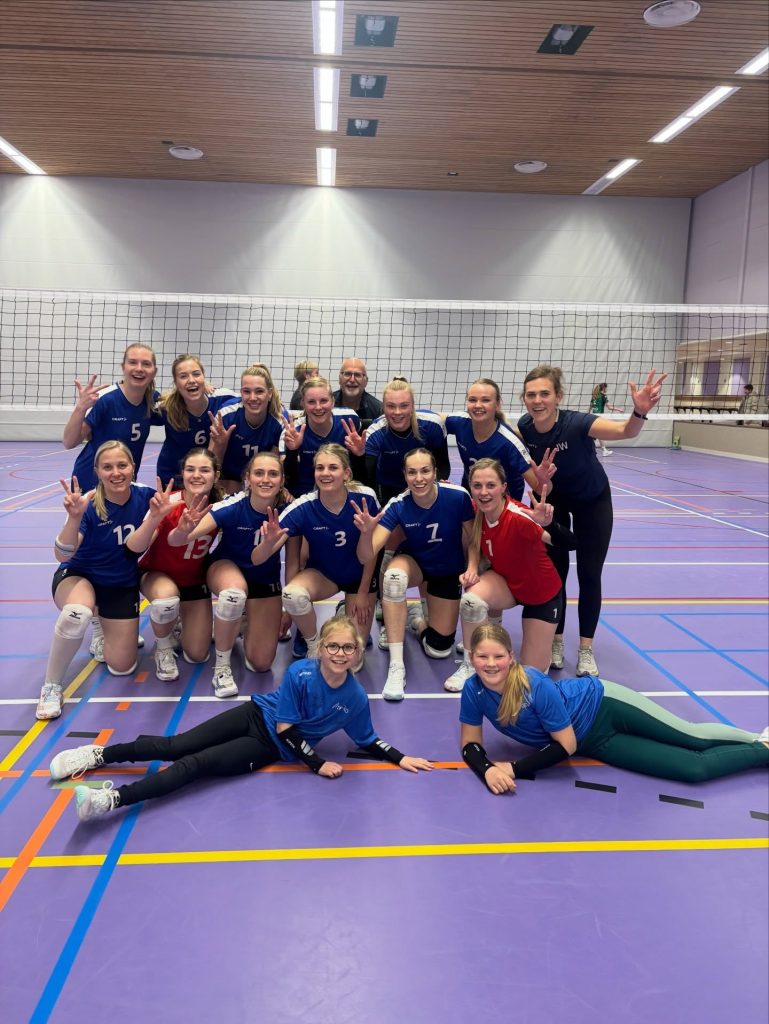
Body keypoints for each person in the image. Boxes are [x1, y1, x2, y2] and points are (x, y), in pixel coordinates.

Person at [49, 616, 434, 822]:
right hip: (257, 715)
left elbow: (367, 739)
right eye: (333, 645)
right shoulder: (300, 672)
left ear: (357, 653)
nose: (339, 653)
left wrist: (401, 757)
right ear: (321, 649)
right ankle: (98, 755)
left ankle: (112, 800)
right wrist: (317, 763)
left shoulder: (354, 698)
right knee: (175, 745)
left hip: (268, 747)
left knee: (194, 765)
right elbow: (286, 725)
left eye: (348, 647)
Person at [459, 624, 769, 794]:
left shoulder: (534, 683)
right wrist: (487, 770)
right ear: (472, 658)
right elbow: (470, 744)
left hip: (606, 705)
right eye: (482, 657)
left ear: (511, 657)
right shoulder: (473, 691)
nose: (491, 664)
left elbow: (565, 745)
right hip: (595, 742)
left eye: (498, 656)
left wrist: (514, 769)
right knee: (693, 769)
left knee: (691, 736)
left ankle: (760, 739)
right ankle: (764, 751)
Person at [517, 365, 666, 678]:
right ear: (524, 399)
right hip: (554, 502)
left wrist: (639, 412)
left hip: (592, 500)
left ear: (558, 396)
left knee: (588, 573)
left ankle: (586, 648)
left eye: (544, 393)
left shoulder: (578, 422)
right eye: (531, 395)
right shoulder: (525, 426)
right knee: (554, 573)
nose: (538, 400)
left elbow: (625, 431)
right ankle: (556, 640)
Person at [36, 441, 157, 720]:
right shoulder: (88, 504)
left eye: (122, 465)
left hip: (120, 583)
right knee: (76, 614)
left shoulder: (147, 497)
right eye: (107, 467)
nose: (116, 473)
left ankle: (101, 624)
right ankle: (51, 686)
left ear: (133, 467)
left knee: (122, 666)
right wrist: (73, 518)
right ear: (97, 471)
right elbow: (62, 554)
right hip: (80, 576)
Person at [354, 448, 474, 701]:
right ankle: (396, 667)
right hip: (415, 564)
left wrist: (472, 569)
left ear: (435, 473)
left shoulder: (458, 497)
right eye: (412, 472)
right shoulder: (398, 505)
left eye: (425, 471)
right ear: (404, 475)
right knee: (394, 580)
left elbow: (473, 539)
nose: (418, 478)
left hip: (446, 570)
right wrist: (366, 533)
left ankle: (417, 620)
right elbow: (366, 556)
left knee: (439, 649)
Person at [167, 451, 290, 698]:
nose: (265, 479)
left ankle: (241, 622)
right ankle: (222, 667)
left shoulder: (288, 511)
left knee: (261, 663)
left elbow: (291, 561)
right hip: (225, 568)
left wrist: (288, 607)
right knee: (234, 594)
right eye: (259, 473)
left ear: (282, 480)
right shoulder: (231, 506)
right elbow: (177, 540)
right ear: (247, 478)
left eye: (273, 474)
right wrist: (182, 531)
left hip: (264, 581)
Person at [443, 458, 570, 692]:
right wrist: (472, 568)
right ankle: (471, 664)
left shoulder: (519, 516)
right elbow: (474, 541)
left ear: (504, 487)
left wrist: (549, 524)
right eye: (477, 486)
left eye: (491, 485)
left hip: (541, 594)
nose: (483, 492)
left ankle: (532, 648)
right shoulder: (478, 511)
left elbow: (570, 543)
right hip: (508, 584)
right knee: (471, 600)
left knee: (530, 680)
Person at [256, 445, 380, 663]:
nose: (325, 473)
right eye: (320, 468)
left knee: (353, 661)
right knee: (293, 595)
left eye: (333, 467)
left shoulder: (365, 498)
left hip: (360, 577)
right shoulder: (303, 506)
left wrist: (363, 592)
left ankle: (346, 613)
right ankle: (314, 645)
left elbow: (372, 553)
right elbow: (258, 558)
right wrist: (266, 543)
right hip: (324, 575)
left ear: (346, 473)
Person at [126, 448, 224, 682]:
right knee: (166, 601)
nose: (197, 475)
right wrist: (154, 518)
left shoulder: (220, 506)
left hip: (194, 580)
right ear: (182, 473)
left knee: (197, 654)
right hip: (157, 574)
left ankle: (182, 620)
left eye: (204, 470)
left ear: (216, 476)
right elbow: (136, 548)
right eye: (190, 469)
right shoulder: (168, 503)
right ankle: (163, 647)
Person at [63, 344, 160, 491]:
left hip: (123, 482)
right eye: (133, 362)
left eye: (146, 364)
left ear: (154, 372)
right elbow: (69, 442)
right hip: (91, 482)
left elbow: (181, 412)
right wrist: (80, 408)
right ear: (123, 367)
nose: (139, 368)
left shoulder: (153, 400)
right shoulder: (106, 399)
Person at [346, 379, 450, 504]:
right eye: (391, 406)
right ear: (383, 408)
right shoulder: (375, 433)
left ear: (412, 406)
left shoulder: (433, 425)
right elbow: (366, 477)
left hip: (424, 486)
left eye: (404, 406)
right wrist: (359, 456)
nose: (397, 412)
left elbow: (443, 464)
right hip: (389, 488)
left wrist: (435, 483)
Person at [445, 378, 551, 500]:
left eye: (485, 400)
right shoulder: (460, 422)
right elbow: (434, 420)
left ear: (497, 405)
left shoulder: (510, 443)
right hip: (473, 496)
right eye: (472, 400)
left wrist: (544, 481)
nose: (478, 405)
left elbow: (540, 488)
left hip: (504, 503)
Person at [154, 354, 238, 487]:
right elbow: (139, 403)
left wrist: (259, 375)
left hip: (207, 476)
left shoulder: (223, 399)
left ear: (204, 377)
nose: (191, 380)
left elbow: (253, 399)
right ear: (176, 383)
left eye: (196, 374)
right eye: (183, 376)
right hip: (173, 477)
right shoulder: (166, 407)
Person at [207, 364, 285, 493]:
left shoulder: (279, 421)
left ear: (270, 393)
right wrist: (220, 445)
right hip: (226, 480)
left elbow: (275, 467)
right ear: (241, 393)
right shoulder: (226, 415)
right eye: (247, 391)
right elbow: (209, 466)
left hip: (259, 482)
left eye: (259, 391)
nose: (253, 398)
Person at [283, 377, 363, 496]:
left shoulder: (349, 419)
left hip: (342, 493)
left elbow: (358, 474)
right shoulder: (294, 431)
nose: (318, 407)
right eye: (311, 402)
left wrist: (359, 454)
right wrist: (292, 451)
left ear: (333, 401)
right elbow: (289, 479)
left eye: (324, 401)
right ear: (302, 403)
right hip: (304, 495)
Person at [333, 357, 383, 427]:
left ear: (366, 381)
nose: (352, 380)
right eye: (347, 374)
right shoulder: (326, 405)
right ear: (339, 379)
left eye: (357, 375)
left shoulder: (378, 410)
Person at [589, 383, 624, 456]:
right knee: (598, 434)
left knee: (596, 434)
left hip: (593, 416)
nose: (607, 389)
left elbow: (590, 406)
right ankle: (603, 450)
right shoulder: (603, 396)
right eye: (606, 388)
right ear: (604, 388)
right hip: (599, 417)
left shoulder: (594, 395)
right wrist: (619, 409)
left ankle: (603, 450)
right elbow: (609, 407)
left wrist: (587, 414)